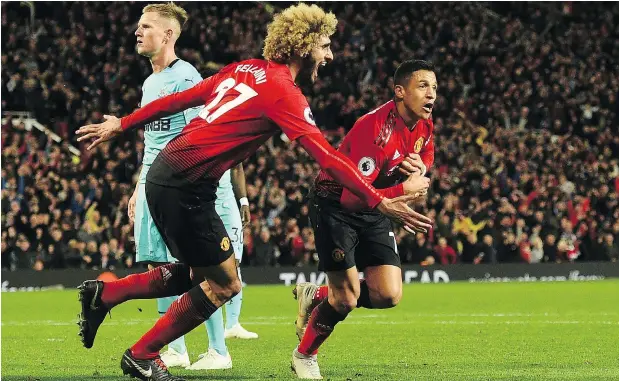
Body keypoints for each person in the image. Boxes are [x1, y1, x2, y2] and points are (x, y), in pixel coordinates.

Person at [76, 4, 432, 381]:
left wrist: (123, 124)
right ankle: (142, 353)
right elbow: (327, 159)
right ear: (303, 45)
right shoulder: (284, 92)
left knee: (202, 273)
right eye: (324, 45)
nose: (328, 55)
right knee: (225, 283)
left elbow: (181, 100)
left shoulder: (245, 68)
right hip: (185, 182)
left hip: (176, 175)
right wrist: (382, 201)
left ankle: (106, 295)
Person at [122, 3, 256, 372]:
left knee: (199, 268)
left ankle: (217, 350)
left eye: (146, 26)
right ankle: (175, 348)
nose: (138, 32)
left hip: (180, 185)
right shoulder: (151, 83)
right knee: (158, 267)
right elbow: (151, 142)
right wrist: (139, 187)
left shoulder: (187, 78)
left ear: (167, 35)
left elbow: (201, 137)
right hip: (153, 185)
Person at [291, 60, 437, 379]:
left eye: (434, 87)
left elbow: (427, 151)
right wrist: (403, 188)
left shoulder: (423, 123)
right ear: (400, 91)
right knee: (345, 299)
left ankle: (315, 295)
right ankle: (305, 355)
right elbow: (351, 197)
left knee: (388, 295)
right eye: (423, 85)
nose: (432, 94)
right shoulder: (375, 130)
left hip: (377, 204)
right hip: (336, 205)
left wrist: (422, 168)